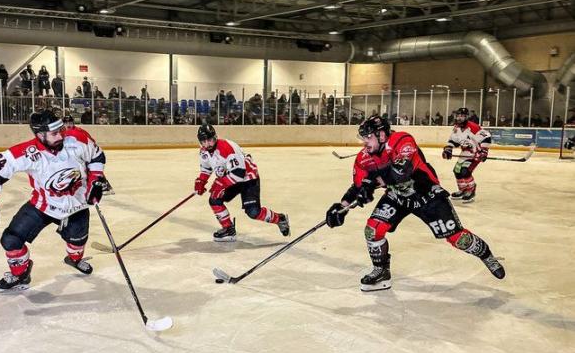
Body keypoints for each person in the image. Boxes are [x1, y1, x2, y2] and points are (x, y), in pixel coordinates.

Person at [325, 115, 504, 292]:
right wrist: (342, 206)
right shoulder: (364, 157)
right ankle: (381, 271)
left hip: (427, 195)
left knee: (459, 239)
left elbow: (400, 172)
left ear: (381, 134)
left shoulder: (402, 140)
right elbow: (357, 185)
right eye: (363, 138)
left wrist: (371, 183)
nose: (365, 142)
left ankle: (486, 255)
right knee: (372, 230)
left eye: (368, 137)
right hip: (398, 196)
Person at [0, 109, 111, 292]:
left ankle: (74, 259)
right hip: (43, 205)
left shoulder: (77, 139)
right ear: (40, 134)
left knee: (77, 244)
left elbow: (96, 157)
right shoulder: (28, 152)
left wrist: (95, 179)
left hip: (77, 205)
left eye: (61, 130)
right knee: (11, 240)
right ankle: (21, 274)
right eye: (54, 133)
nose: (61, 135)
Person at [193, 124, 289, 242]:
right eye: (204, 141)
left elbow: (239, 173)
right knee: (214, 199)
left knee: (253, 212)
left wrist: (221, 184)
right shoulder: (204, 152)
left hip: (248, 178)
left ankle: (280, 219)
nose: (207, 144)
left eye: (209, 140)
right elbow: (206, 168)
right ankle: (228, 229)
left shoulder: (227, 148)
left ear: (215, 137)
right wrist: (201, 181)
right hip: (231, 178)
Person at [442, 107, 491, 203]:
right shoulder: (456, 127)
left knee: (465, 171)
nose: (459, 118)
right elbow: (453, 140)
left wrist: (484, 151)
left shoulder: (473, 127)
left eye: (462, 116)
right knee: (457, 171)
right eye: (458, 116)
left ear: (466, 117)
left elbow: (487, 137)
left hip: (475, 152)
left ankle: (471, 190)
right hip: (465, 152)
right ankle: (463, 189)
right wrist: (449, 149)